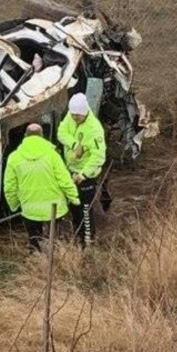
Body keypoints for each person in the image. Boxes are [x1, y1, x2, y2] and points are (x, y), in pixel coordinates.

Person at [4, 123, 80, 251]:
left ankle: (36, 262)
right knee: (54, 242)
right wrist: (74, 198)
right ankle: (56, 263)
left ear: (25, 136)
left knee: (35, 241)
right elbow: (65, 180)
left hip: (30, 209)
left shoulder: (14, 157)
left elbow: (9, 187)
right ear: (42, 135)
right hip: (54, 209)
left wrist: (14, 205)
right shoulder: (52, 155)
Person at [57, 93, 108, 245]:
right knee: (74, 205)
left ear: (85, 113)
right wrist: (75, 145)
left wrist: (83, 174)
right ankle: (77, 236)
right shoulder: (70, 117)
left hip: (86, 175)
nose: (74, 118)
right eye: (72, 115)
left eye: (77, 116)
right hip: (71, 169)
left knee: (86, 208)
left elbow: (98, 157)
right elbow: (61, 133)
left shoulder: (94, 130)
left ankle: (88, 240)